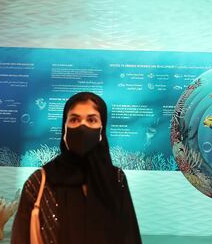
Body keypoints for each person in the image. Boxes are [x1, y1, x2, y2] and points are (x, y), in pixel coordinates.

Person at [11, 92, 142, 244]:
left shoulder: (115, 178)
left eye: (92, 120)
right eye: (74, 119)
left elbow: (129, 235)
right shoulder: (39, 182)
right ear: (64, 128)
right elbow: (20, 238)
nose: (82, 127)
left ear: (102, 129)